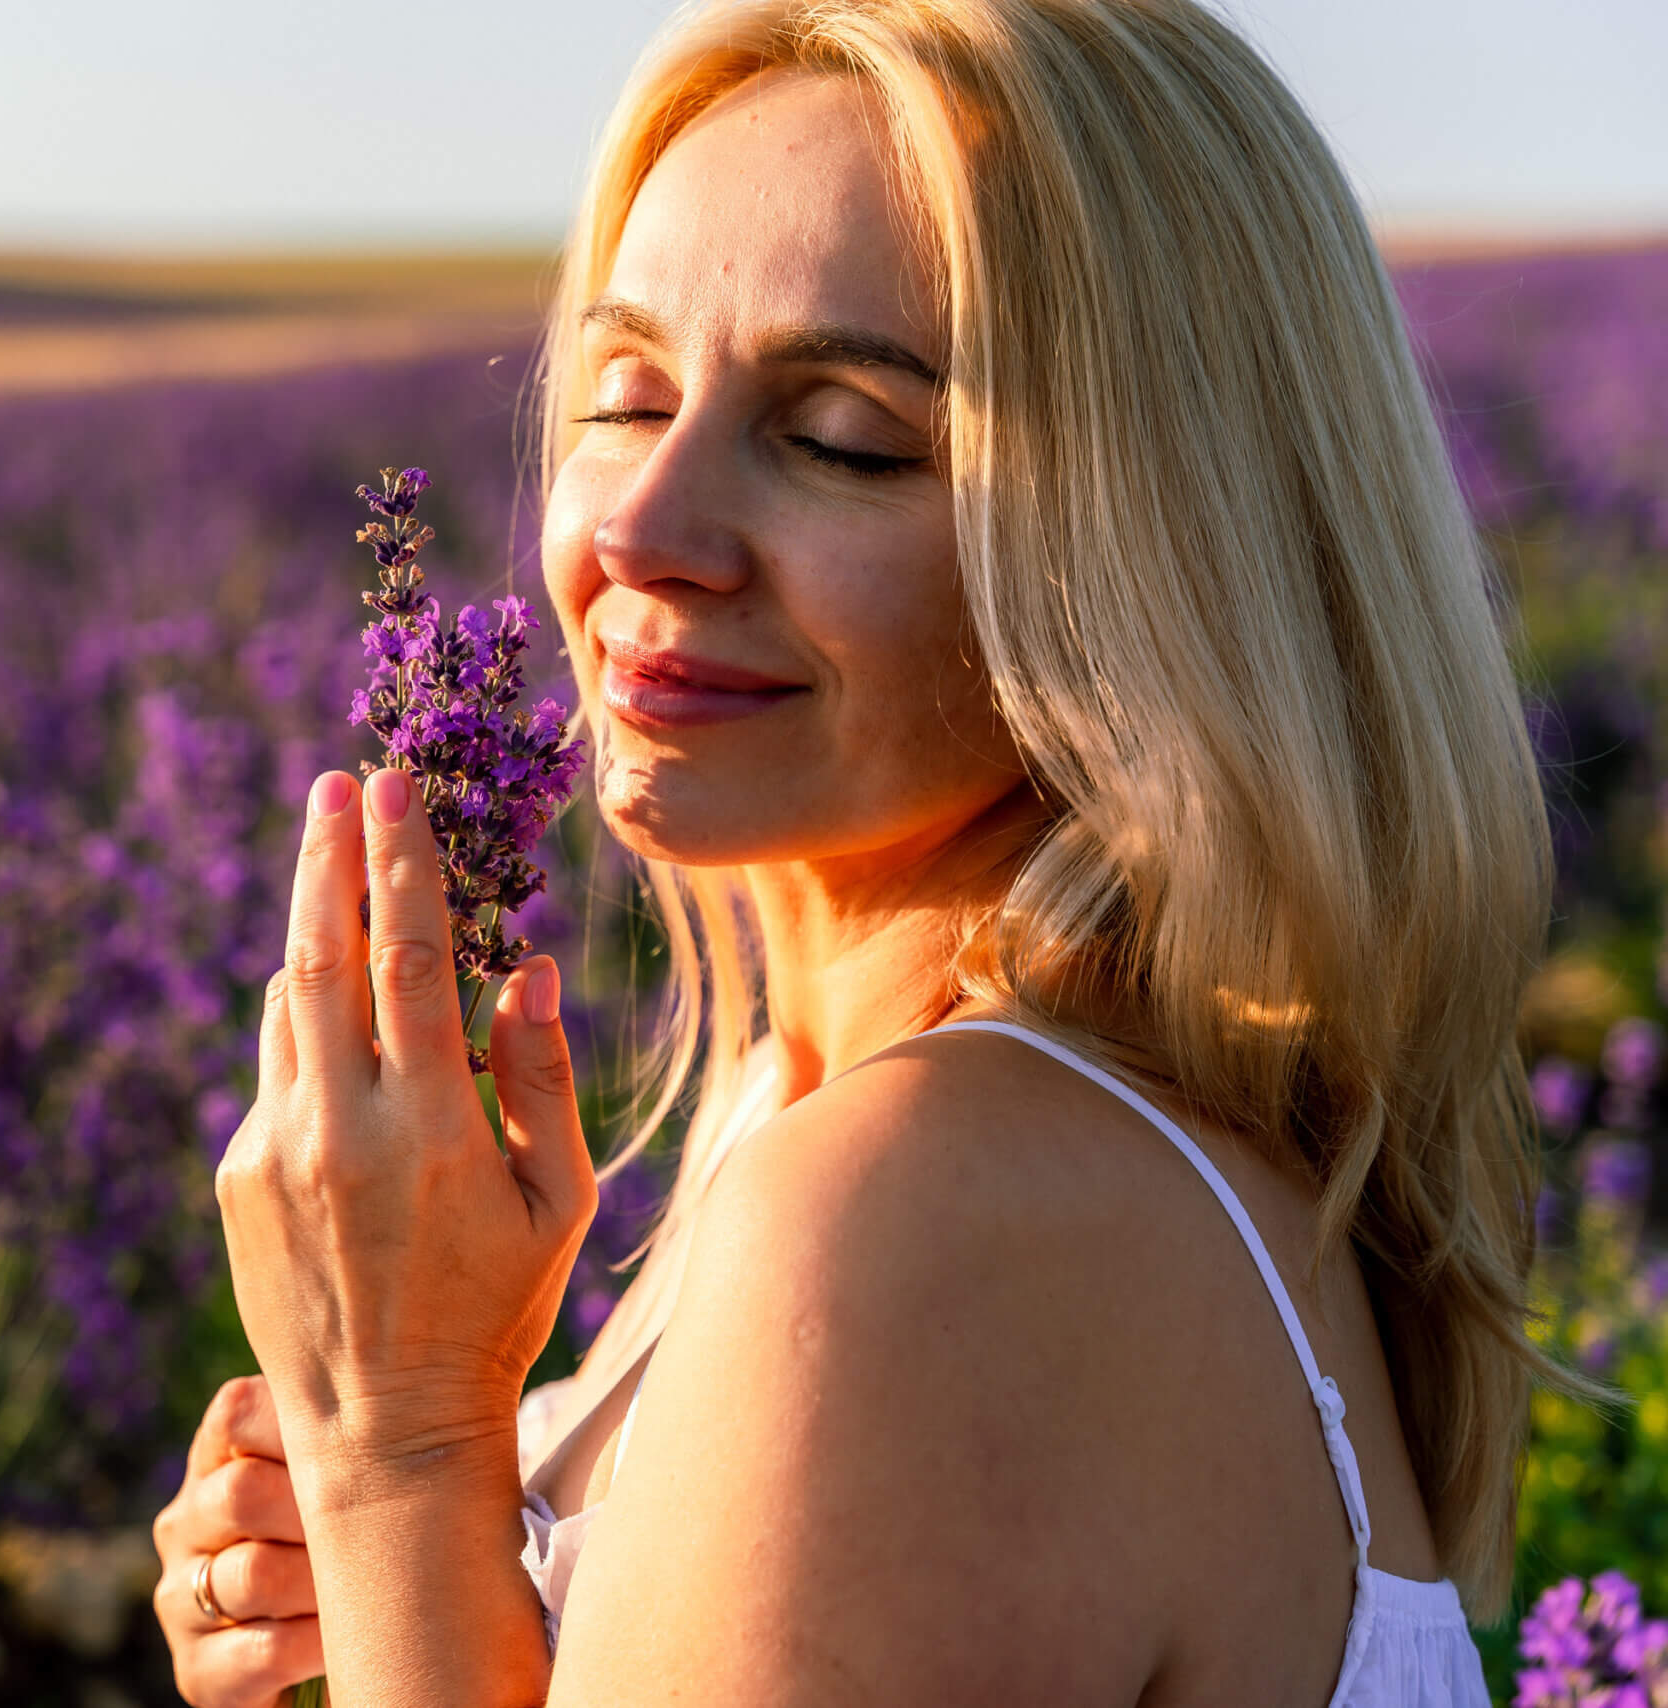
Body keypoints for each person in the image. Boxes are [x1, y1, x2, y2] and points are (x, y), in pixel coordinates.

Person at [152, 0, 1589, 1701]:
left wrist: (392, 1451)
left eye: (841, 438)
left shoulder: (920, 1215)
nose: (639, 528)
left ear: (1159, 552)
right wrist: (414, 1523)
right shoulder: (843, 1124)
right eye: (625, 396)